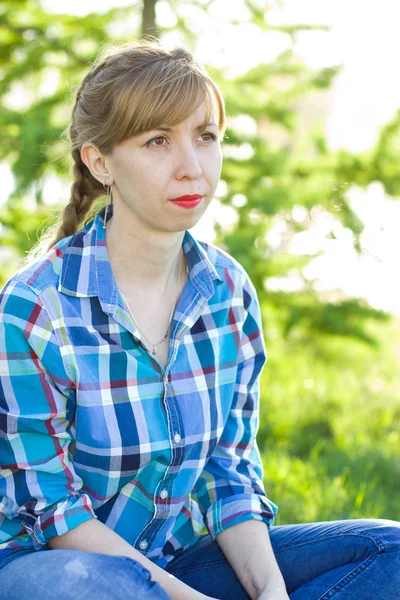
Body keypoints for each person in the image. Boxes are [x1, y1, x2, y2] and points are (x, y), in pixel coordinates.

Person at [0, 41, 399, 600]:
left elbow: (227, 476)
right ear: (99, 161)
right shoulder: (35, 308)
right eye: (158, 141)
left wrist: (269, 593)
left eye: (205, 137)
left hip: (176, 560)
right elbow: (53, 514)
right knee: (100, 588)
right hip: (55, 571)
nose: (192, 167)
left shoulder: (228, 293)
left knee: (390, 553)